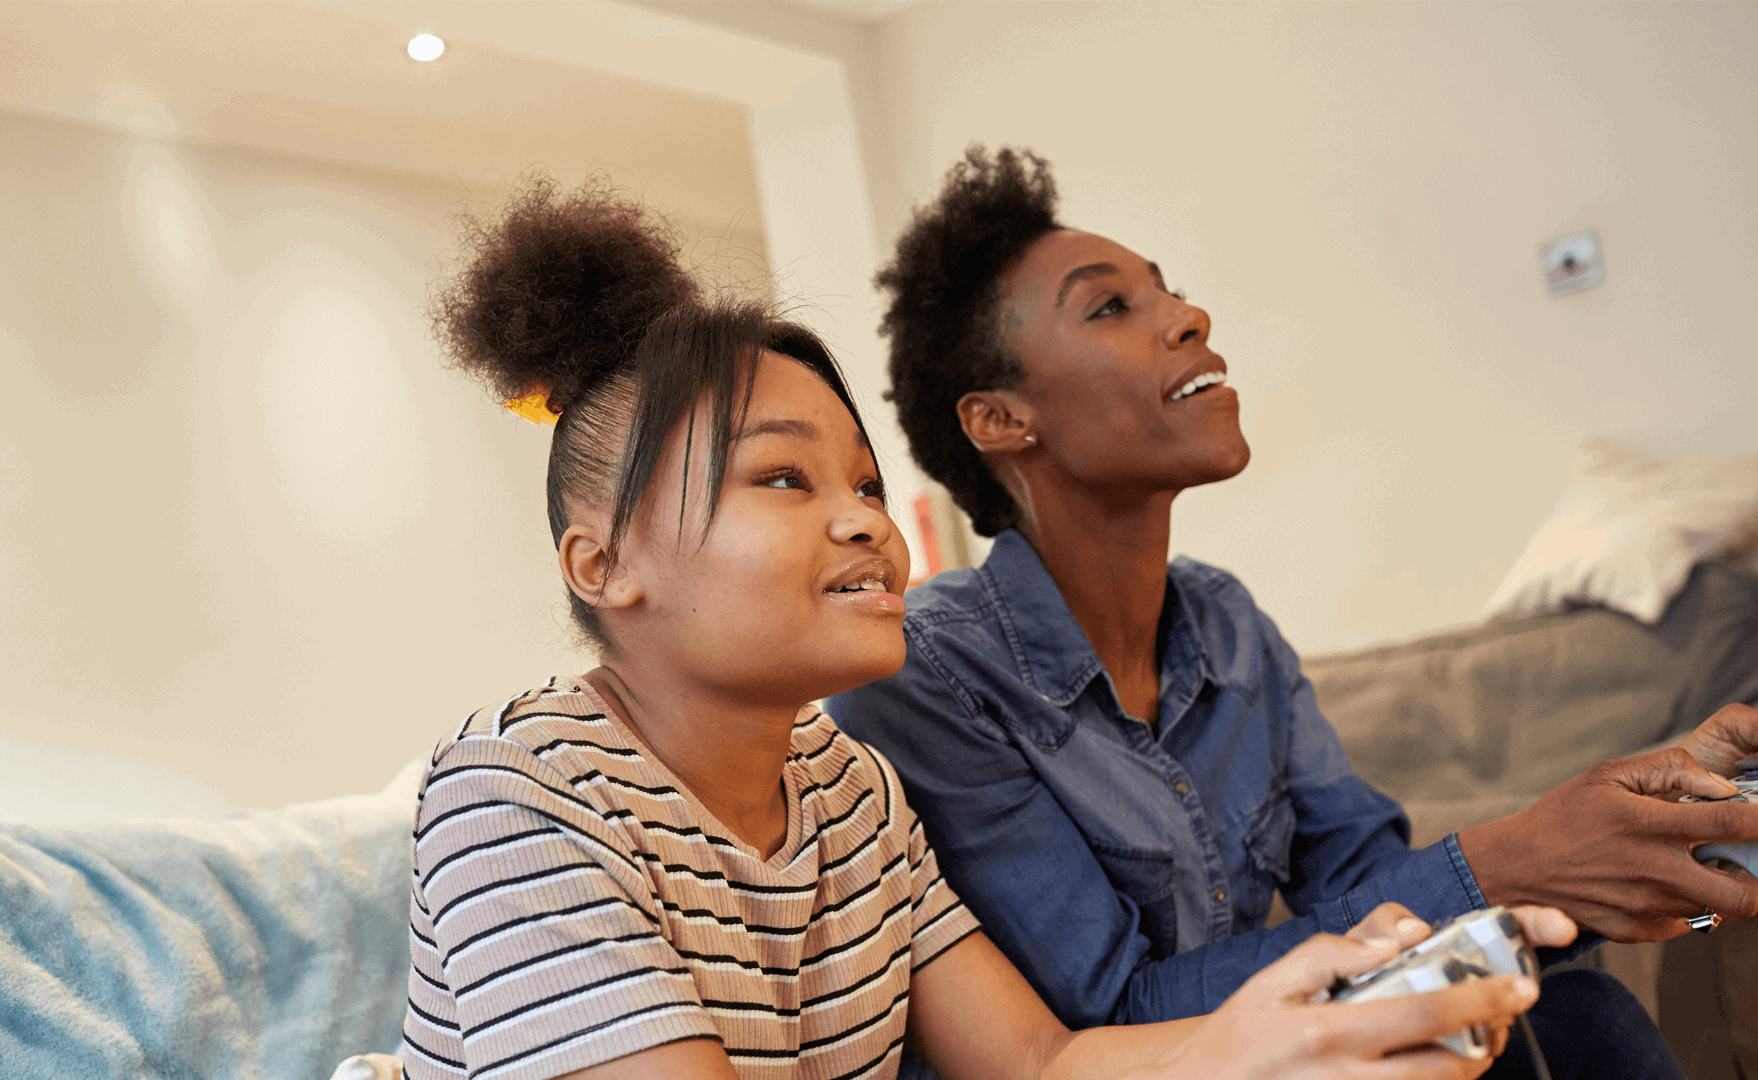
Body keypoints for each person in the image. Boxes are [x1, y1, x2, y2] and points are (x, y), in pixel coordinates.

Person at [397, 177, 1557, 1080]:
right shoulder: (517, 798)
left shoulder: (851, 794)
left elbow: (1043, 1060)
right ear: (605, 566)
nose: (865, 525)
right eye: (786, 483)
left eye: (862, 485)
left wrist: (1268, 1033)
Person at [825, 146, 1758, 1080]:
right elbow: (1109, 1014)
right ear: (1000, 419)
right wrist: (1508, 863)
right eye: (1111, 306)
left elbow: (1365, 888)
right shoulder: (925, 673)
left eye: (1169, 291)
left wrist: (1628, 849)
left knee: (1566, 1012)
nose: (1190, 317)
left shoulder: (1228, 625)